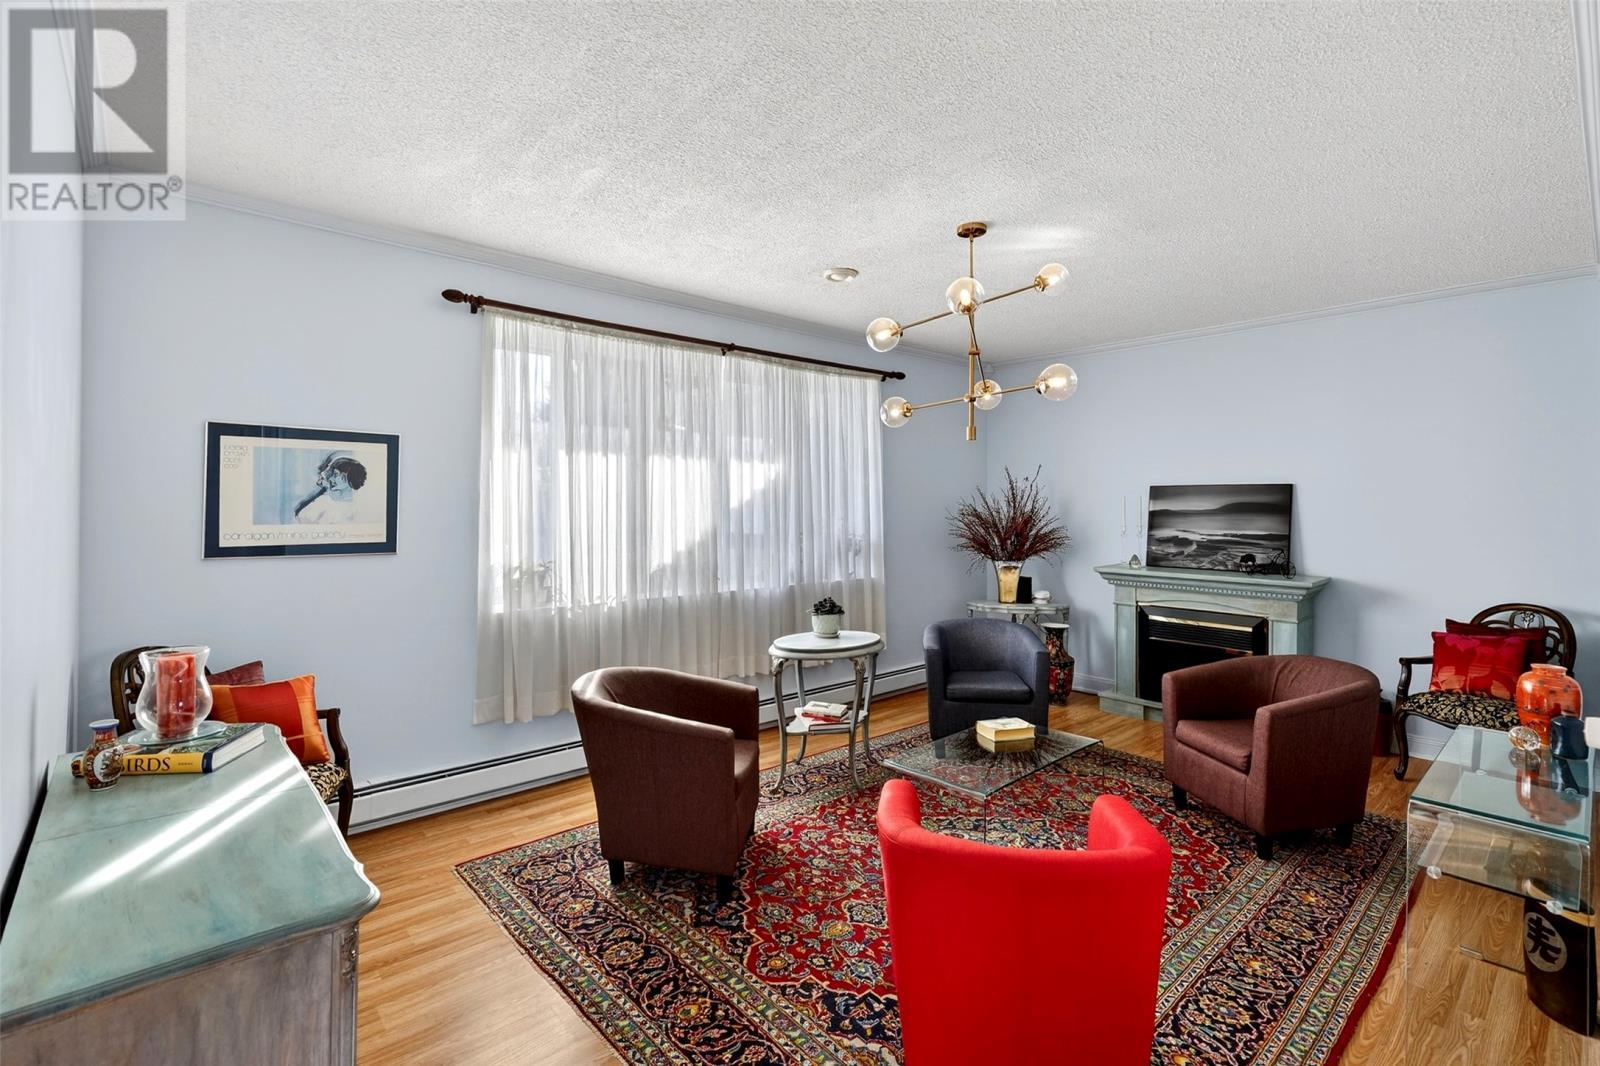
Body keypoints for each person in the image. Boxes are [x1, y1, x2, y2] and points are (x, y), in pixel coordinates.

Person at [295, 453, 368, 524]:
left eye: (336, 474)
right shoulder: (323, 502)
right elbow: (302, 518)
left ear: (351, 478)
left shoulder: (360, 507)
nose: (330, 478)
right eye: (331, 474)